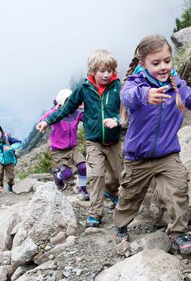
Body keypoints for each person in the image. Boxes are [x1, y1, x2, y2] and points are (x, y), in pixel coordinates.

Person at [113, 35, 191, 254]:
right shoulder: (136, 84)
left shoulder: (176, 85)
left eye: (167, 61)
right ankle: (120, 225)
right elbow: (127, 97)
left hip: (167, 154)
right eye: (156, 63)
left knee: (178, 190)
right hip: (138, 157)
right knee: (130, 195)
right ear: (143, 64)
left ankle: (178, 234)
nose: (163, 67)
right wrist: (146, 94)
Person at [37, 49, 122, 227]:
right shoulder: (84, 89)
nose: (106, 75)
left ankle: (111, 191)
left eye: (110, 71)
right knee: (97, 174)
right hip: (93, 141)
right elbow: (66, 109)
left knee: (115, 176)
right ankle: (96, 212)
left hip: (114, 140)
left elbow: (126, 109)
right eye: (102, 71)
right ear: (92, 71)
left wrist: (117, 121)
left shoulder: (117, 87)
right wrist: (47, 121)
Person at [39, 88, 89, 201]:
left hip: (73, 148)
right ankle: (58, 177)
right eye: (68, 101)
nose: (71, 104)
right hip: (58, 150)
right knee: (67, 174)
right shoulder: (56, 114)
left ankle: (82, 188)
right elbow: (44, 119)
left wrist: (86, 108)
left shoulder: (76, 113)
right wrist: (44, 123)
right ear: (62, 102)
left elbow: (86, 117)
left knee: (82, 166)